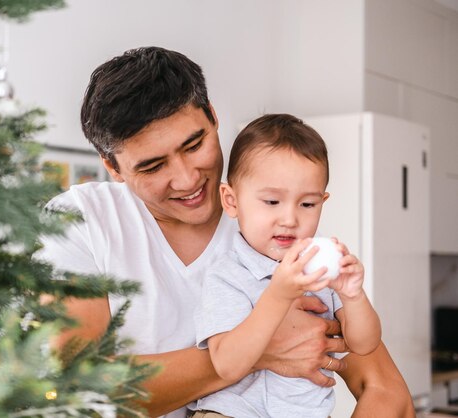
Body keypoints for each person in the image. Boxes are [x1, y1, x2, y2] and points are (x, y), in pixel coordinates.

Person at [40, 46, 414, 418]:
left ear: (213, 117)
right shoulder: (81, 222)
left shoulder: (270, 232)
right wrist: (261, 349)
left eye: (194, 144)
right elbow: (76, 388)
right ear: (113, 167)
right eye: (153, 166)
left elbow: (386, 391)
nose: (187, 179)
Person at [191, 114, 381, 418]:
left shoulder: (321, 272)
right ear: (231, 200)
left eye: (307, 204)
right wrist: (278, 294)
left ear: (323, 201)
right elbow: (227, 365)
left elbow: (364, 344)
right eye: (271, 202)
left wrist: (353, 296)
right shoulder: (227, 274)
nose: (290, 219)